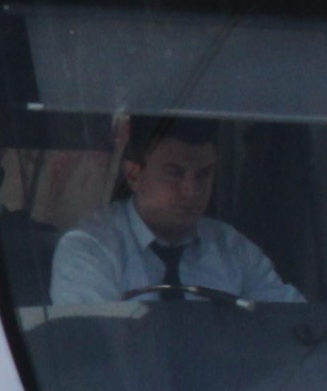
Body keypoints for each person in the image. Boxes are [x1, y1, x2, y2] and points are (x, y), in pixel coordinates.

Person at [49, 116, 299, 310]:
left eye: (203, 175)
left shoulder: (232, 249)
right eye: (174, 173)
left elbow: (291, 321)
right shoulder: (91, 249)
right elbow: (91, 351)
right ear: (134, 175)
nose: (191, 191)